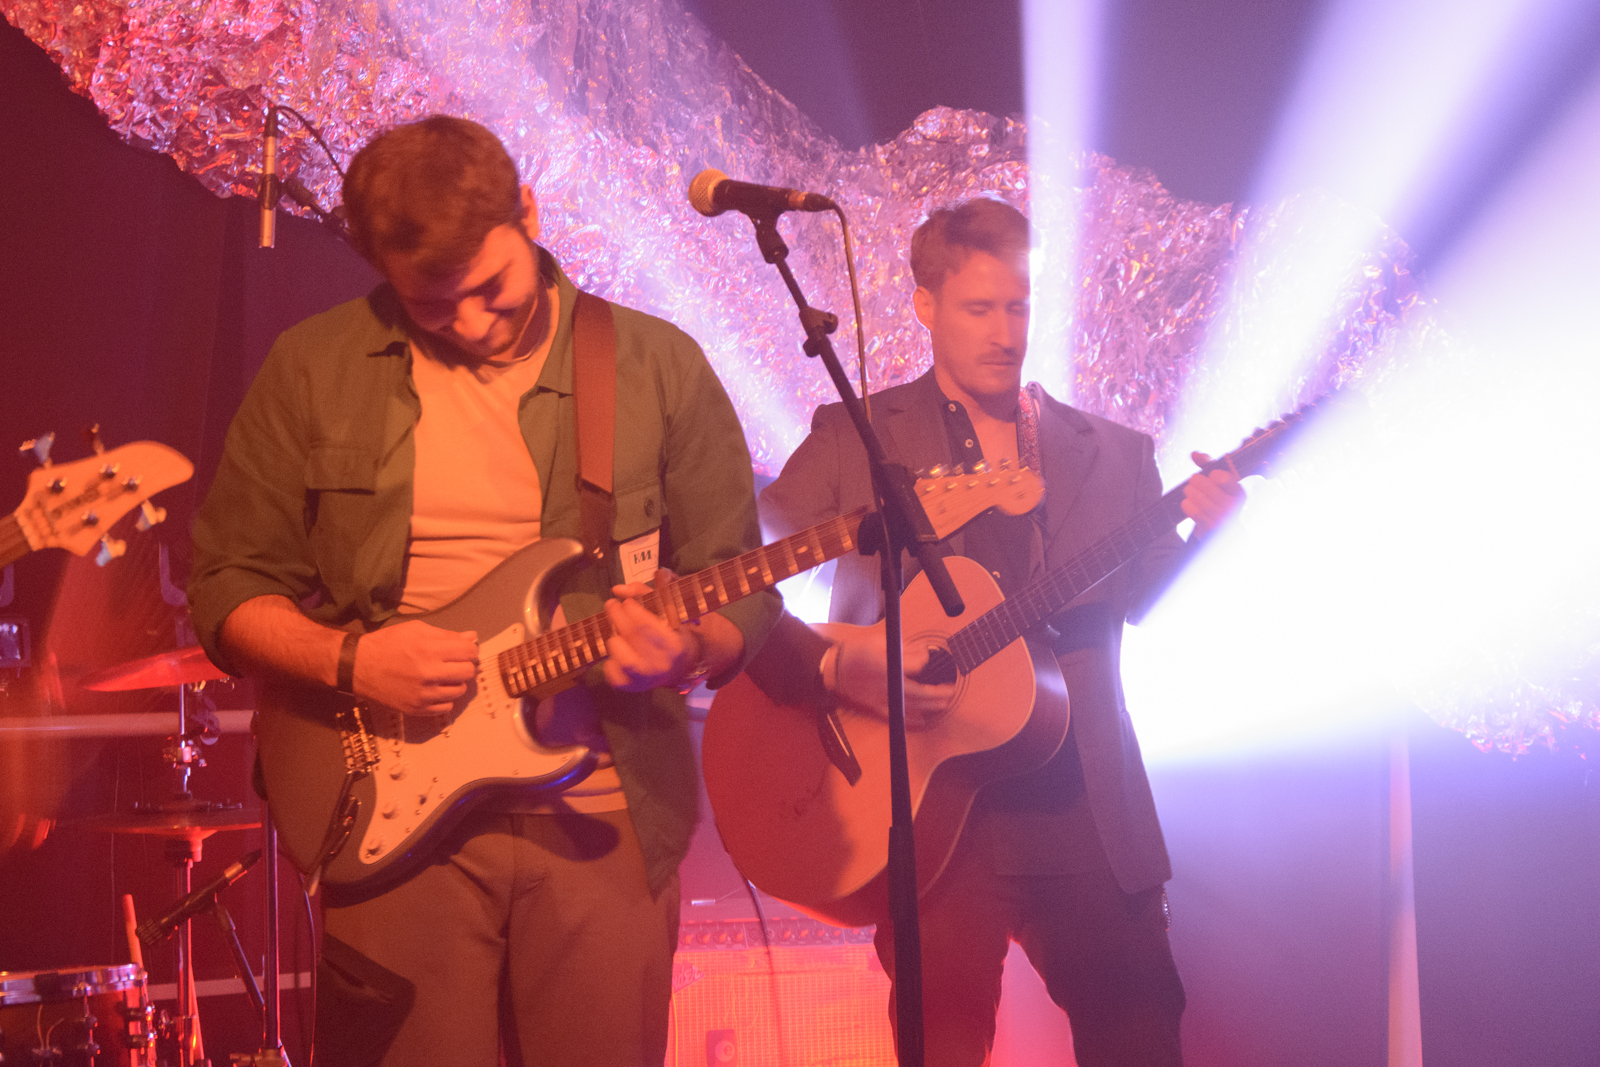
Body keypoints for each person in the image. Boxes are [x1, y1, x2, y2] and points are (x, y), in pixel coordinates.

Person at [188, 115, 779, 1067]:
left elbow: (741, 578)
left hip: (604, 812)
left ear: (529, 213)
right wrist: (353, 658)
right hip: (390, 817)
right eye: (432, 304)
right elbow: (226, 584)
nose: (469, 322)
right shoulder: (313, 366)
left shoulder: (655, 364)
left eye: (491, 287)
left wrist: (692, 648)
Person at [755, 197, 1243, 1066]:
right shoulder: (858, 438)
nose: (1005, 332)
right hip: (932, 812)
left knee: (1141, 1040)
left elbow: (1141, 595)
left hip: (1083, 806)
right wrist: (836, 661)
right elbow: (747, 566)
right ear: (925, 304)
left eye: (1018, 307)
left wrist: (1208, 532)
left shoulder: (1114, 452)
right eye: (980, 308)